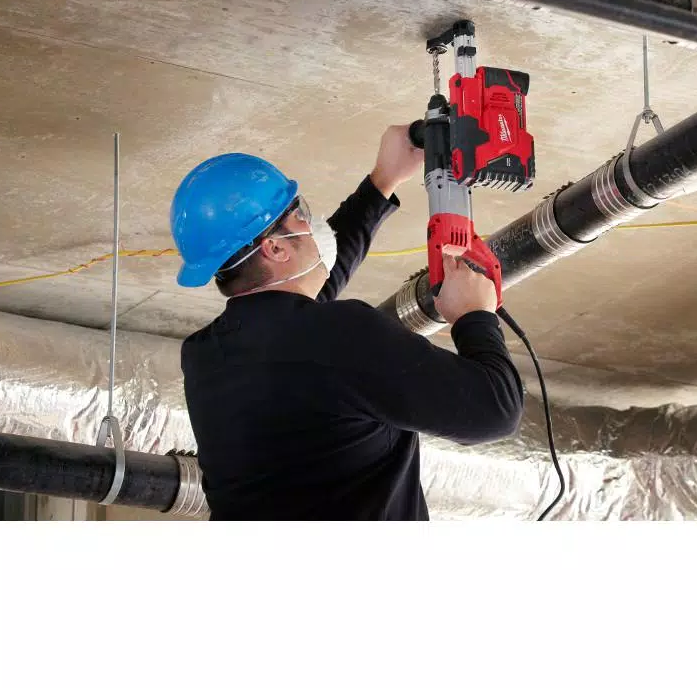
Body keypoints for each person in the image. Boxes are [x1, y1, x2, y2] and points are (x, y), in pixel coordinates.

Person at [170, 125, 524, 520]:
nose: (311, 221)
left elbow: (306, 307)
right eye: (299, 213)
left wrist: (381, 181)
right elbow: (495, 411)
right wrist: (475, 316)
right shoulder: (339, 335)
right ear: (274, 248)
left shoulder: (205, 356)